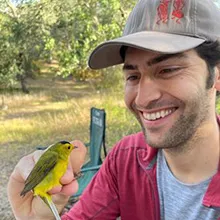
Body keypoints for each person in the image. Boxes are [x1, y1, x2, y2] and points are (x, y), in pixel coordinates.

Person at [7, 0, 220, 219]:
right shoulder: (125, 160)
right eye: (133, 76)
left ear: (217, 74)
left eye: (168, 70)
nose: (143, 99)